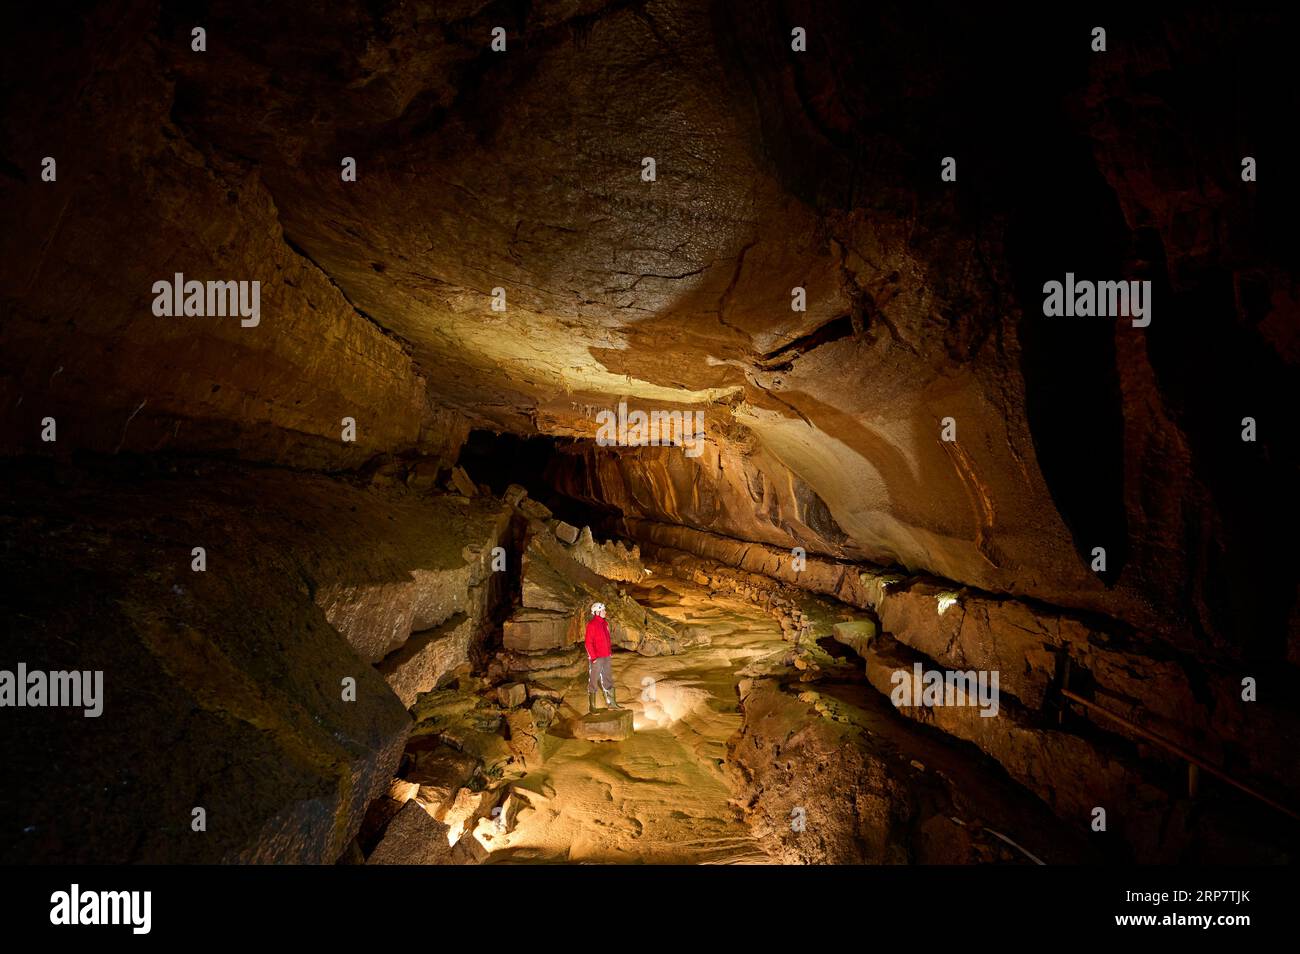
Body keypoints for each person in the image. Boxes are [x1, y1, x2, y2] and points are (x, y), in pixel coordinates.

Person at [584, 602, 624, 713]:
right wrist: (593, 657)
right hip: (597, 657)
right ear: (597, 612)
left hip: (606, 656)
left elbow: (607, 639)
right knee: (593, 680)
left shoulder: (604, 623)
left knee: (608, 678)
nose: (605, 612)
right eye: (603, 610)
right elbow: (588, 643)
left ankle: (612, 704)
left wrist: (609, 652)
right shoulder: (592, 625)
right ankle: (592, 707)